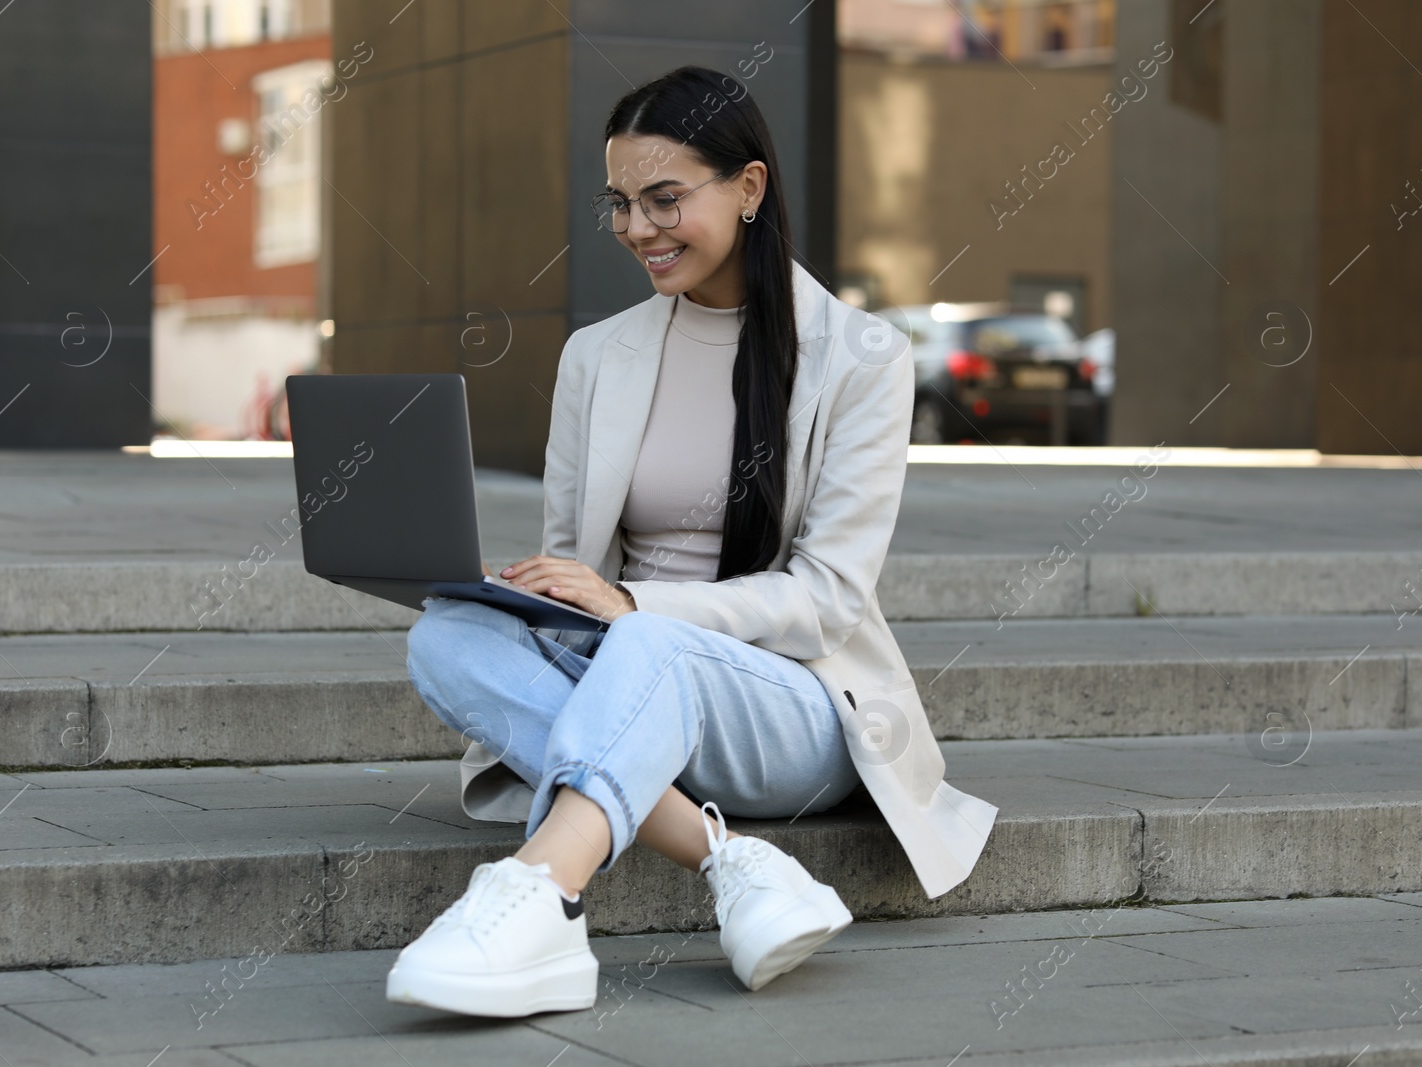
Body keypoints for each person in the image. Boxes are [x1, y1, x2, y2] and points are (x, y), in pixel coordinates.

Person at [386, 64, 996, 1019]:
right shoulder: (598, 354)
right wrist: (535, 593)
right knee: (444, 635)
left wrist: (636, 607)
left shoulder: (862, 358)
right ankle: (733, 860)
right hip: (632, 677)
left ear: (749, 189)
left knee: (649, 640)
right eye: (621, 204)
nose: (638, 228)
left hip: (795, 703)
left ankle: (540, 894)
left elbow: (826, 597)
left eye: (665, 199)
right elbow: (578, 564)